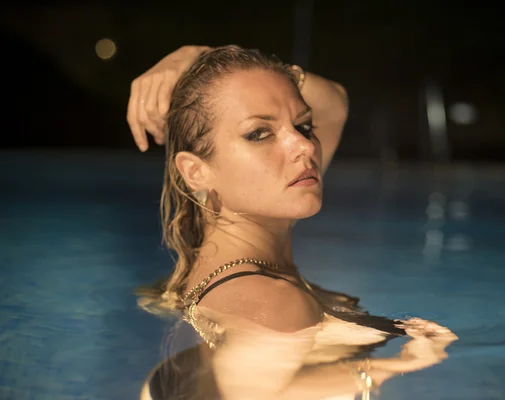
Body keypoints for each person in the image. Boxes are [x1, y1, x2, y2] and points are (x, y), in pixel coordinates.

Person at [127, 44, 457, 400]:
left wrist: (201, 54)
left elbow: (334, 104)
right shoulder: (272, 300)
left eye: (303, 125)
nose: (304, 146)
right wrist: (398, 365)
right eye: (259, 134)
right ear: (196, 171)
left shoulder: (216, 267)